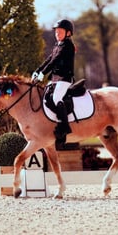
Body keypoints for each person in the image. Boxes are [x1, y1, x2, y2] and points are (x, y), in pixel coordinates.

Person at [31, 19, 76, 148]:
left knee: (56, 98)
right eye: (56, 31)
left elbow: (55, 61)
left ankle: (64, 126)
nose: (57, 34)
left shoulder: (68, 46)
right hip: (55, 78)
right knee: (45, 96)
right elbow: (49, 59)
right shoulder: (58, 45)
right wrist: (38, 70)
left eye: (60, 31)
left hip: (65, 78)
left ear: (68, 33)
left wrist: (43, 74)